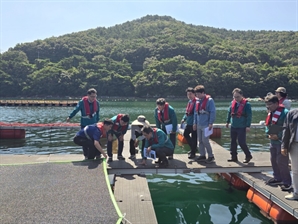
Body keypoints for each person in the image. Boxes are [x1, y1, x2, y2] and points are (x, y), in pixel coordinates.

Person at [264, 94, 292, 191]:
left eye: (270, 105)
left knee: (282, 162)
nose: (268, 107)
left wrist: (278, 136)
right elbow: (267, 125)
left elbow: (288, 128)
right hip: (273, 141)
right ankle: (277, 178)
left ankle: (287, 182)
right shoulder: (270, 113)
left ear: (276, 103)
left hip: (281, 142)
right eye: (267, 105)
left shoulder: (285, 113)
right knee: (273, 160)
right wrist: (268, 134)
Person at [67, 88, 100, 159]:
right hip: (84, 124)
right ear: (88, 95)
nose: (93, 98)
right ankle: (86, 155)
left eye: (95, 96)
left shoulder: (97, 103)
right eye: (92, 96)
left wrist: (97, 122)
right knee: (85, 140)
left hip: (93, 124)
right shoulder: (82, 102)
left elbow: (97, 113)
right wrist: (70, 117)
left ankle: (97, 154)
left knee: (95, 139)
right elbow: (76, 110)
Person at [226, 88, 253, 163]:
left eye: (237, 97)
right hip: (234, 125)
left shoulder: (247, 104)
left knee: (241, 142)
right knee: (233, 142)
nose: (236, 98)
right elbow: (229, 112)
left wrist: (248, 126)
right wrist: (227, 121)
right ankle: (233, 156)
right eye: (234, 97)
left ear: (242, 95)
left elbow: (249, 116)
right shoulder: (232, 103)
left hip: (242, 126)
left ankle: (248, 155)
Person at [193, 85, 216, 163]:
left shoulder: (210, 100)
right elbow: (195, 113)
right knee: (200, 140)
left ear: (203, 93)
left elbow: (212, 112)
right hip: (199, 124)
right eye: (196, 94)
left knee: (205, 140)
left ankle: (211, 155)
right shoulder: (197, 101)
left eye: (198, 94)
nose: (197, 96)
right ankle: (202, 155)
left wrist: (210, 123)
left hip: (206, 124)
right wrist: (195, 123)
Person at [281, 108, 298, 200]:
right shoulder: (292, 113)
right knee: (295, 170)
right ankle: (296, 193)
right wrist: (284, 146)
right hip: (295, 144)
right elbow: (286, 130)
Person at [181, 87, 198, 159]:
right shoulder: (190, 102)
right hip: (189, 122)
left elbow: (196, 114)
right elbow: (187, 112)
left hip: (194, 123)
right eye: (188, 94)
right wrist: (183, 118)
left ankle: (193, 152)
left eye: (190, 94)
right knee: (185, 134)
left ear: (194, 94)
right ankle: (193, 149)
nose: (189, 96)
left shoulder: (196, 102)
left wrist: (195, 123)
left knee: (194, 138)